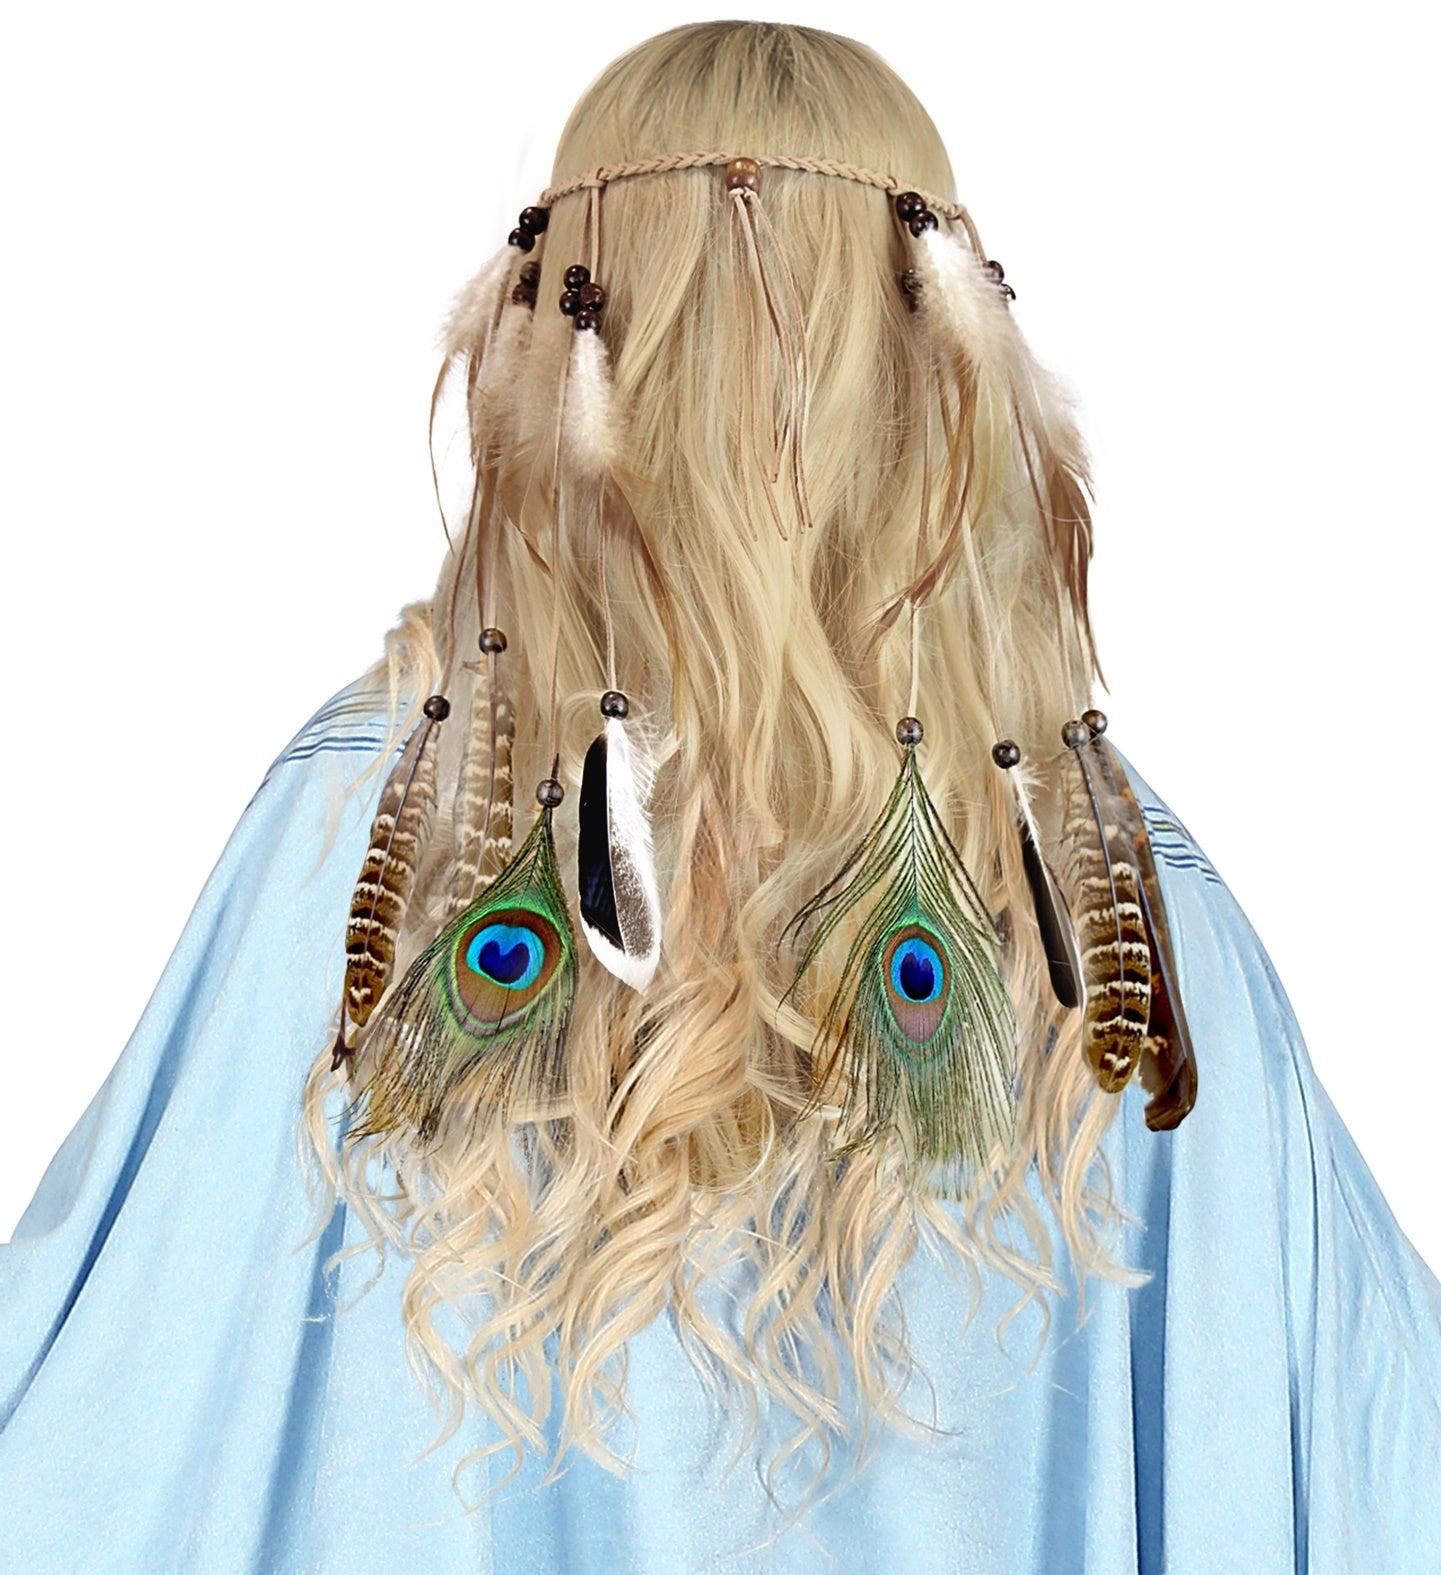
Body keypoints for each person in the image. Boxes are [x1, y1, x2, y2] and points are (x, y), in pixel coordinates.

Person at [2, 21, 1437, 1573]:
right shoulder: (1108, 900)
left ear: (562, 326)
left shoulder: (381, 828)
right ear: (932, 348)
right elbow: (1356, 1450)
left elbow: (109, 1406)